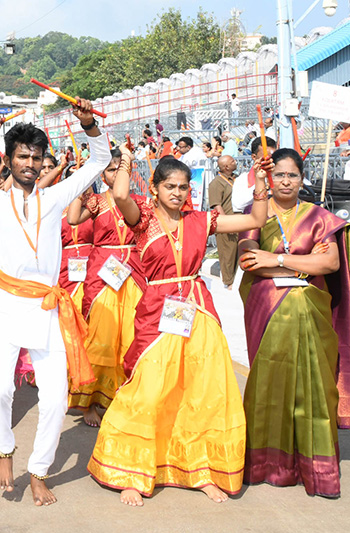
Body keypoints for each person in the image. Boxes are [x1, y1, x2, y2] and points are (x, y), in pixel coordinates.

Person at [0, 98, 110, 506]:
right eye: (22, 156)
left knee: (54, 398)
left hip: (47, 309)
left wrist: (88, 124)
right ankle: (4, 451)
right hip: (7, 305)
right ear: (8, 160)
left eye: (36, 157)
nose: (30, 163)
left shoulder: (55, 196)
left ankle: (38, 471)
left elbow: (99, 161)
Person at [88, 149, 270, 506]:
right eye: (169, 186)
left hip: (197, 306)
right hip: (157, 308)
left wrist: (260, 181)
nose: (177, 192)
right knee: (147, 388)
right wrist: (125, 161)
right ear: (154, 189)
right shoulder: (142, 220)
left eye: (183, 187)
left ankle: (201, 469)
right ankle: (131, 471)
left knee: (204, 389)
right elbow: (122, 194)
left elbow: (258, 219)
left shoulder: (202, 221)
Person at [237, 148, 350, 497]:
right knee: (270, 379)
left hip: (311, 306)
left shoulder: (319, 217)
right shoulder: (255, 214)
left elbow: (330, 265)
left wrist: (278, 259)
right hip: (266, 305)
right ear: (269, 177)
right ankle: (265, 462)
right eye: (279, 174)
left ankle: (317, 466)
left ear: (302, 178)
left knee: (313, 383)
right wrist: (303, 263)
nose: (285, 181)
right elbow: (248, 261)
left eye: (292, 175)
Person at [65, 146, 144, 428]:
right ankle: (89, 403)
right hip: (103, 272)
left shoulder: (139, 201)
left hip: (133, 271)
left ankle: (120, 397)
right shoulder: (97, 202)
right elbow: (73, 219)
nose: (116, 174)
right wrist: (79, 182)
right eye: (111, 170)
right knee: (100, 335)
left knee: (129, 335)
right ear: (104, 174)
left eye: (121, 169)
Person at [208, 155, 239, 288]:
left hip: (238, 220)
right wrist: (227, 222)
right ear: (226, 167)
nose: (235, 162)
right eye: (232, 161)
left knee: (237, 251)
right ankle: (228, 281)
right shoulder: (216, 183)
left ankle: (236, 278)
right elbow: (217, 205)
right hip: (226, 222)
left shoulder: (235, 179)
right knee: (227, 253)